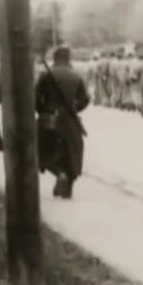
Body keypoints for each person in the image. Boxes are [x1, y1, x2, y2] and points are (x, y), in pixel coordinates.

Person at [35, 46, 90, 199]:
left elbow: (36, 97)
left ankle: (60, 174)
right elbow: (85, 99)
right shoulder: (76, 76)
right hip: (70, 120)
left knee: (44, 150)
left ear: (55, 59)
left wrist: (42, 111)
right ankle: (68, 185)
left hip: (50, 117)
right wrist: (74, 110)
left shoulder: (46, 75)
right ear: (68, 59)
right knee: (73, 151)